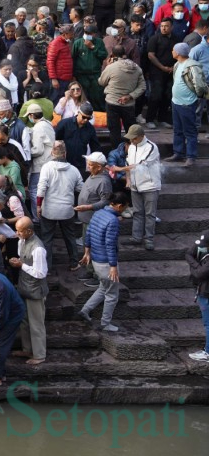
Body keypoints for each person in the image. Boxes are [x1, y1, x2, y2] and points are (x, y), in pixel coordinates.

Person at [78, 190, 131, 333]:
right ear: (119, 206)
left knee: (103, 287)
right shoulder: (113, 221)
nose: (126, 209)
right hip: (106, 263)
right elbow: (110, 245)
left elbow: (88, 233)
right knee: (112, 294)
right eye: (125, 206)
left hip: (95, 259)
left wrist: (87, 251)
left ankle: (85, 310)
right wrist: (113, 266)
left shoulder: (98, 213)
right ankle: (105, 323)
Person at [7, 218, 48, 366]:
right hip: (24, 287)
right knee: (24, 321)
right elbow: (22, 258)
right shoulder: (22, 241)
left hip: (35, 290)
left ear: (29, 231)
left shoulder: (38, 248)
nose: (17, 233)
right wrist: (17, 262)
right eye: (17, 230)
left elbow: (41, 273)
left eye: (20, 231)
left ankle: (39, 354)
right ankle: (27, 349)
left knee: (36, 323)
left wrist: (22, 265)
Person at [36, 142, 84, 269]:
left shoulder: (46, 167)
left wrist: (38, 206)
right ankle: (74, 263)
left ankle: (47, 267)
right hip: (67, 210)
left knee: (47, 239)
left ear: (52, 153)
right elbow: (81, 188)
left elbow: (41, 189)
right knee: (70, 237)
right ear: (65, 154)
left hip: (49, 210)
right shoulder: (74, 170)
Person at [120, 123, 161, 251]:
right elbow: (129, 163)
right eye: (131, 138)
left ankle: (149, 239)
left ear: (142, 136)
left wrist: (118, 169)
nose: (131, 140)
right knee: (137, 212)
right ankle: (136, 237)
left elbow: (140, 165)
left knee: (150, 214)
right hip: (135, 186)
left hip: (150, 186)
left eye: (134, 138)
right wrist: (128, 180)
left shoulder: (151, 147)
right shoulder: (132, 147)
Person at [170, 41, 203, 167]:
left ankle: (191, 156)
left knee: (190, 131)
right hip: (176, 102)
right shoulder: (178, 64)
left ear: (178, 53)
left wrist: (194, 97)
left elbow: (199, 86)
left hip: (187, 103)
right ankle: (178, 153)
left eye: (173, 50)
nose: (172, 52)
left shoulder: (192, 66)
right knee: (177, 130)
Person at [186, 231, 209, 363]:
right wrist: (196, 265)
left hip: (206, 293)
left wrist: (194, 268)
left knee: (208, 324)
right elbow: (188, 254)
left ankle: (207, 353)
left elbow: (199, 274)